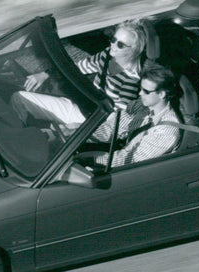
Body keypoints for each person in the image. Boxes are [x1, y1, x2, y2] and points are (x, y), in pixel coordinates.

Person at [11, 19, 147, 128]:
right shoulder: (107, 55)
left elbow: (117, 121)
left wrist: (79, 128)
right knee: (18, 98)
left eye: (120, 45)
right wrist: (45, 74)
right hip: (82, 102)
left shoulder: (131, 80)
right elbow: (77, 68)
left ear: (134, 50)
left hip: (90, 120)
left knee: (19, 99)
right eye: (113, 40)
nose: (113, 45)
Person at [89, 64, 181, 168]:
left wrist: (93, 160)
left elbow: (132, 159)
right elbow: (113, 128)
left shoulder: (166, 131)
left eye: (146, 91)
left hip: (130, 170)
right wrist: (86, 137)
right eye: (140, 88)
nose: (140, 93)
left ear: (161, 94)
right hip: (118, 153)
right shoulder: (140, 105)